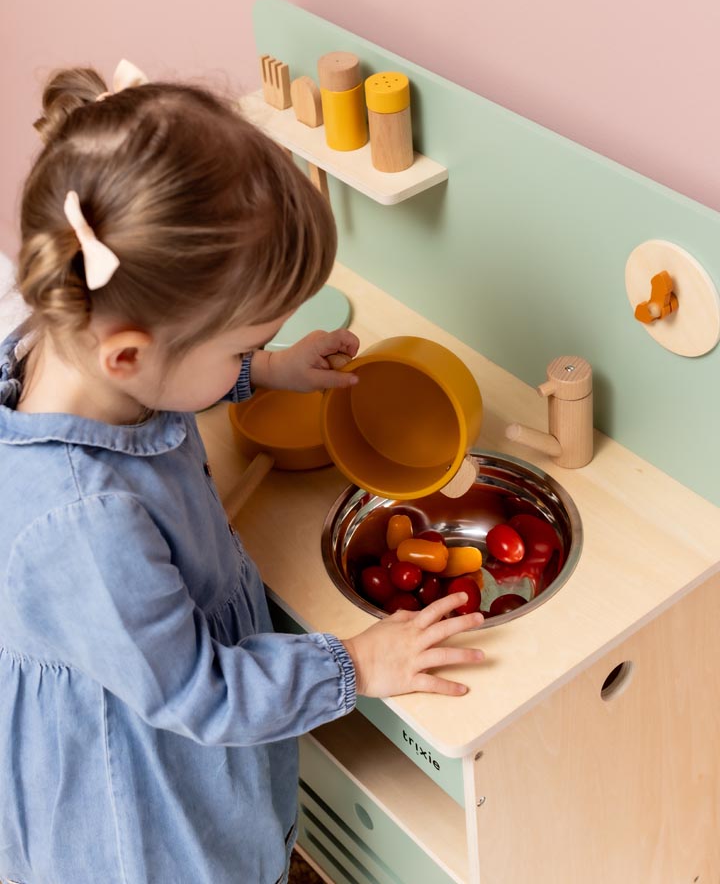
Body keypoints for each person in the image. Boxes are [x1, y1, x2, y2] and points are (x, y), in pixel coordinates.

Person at [0, 62, 485, 884]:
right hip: (149, 813)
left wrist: (267, 368)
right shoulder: (86, 521)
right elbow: (203, 694)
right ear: (129, 352)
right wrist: (358, 664)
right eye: (239, 344)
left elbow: (168, 377)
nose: (246, 356)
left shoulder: (72, 354)